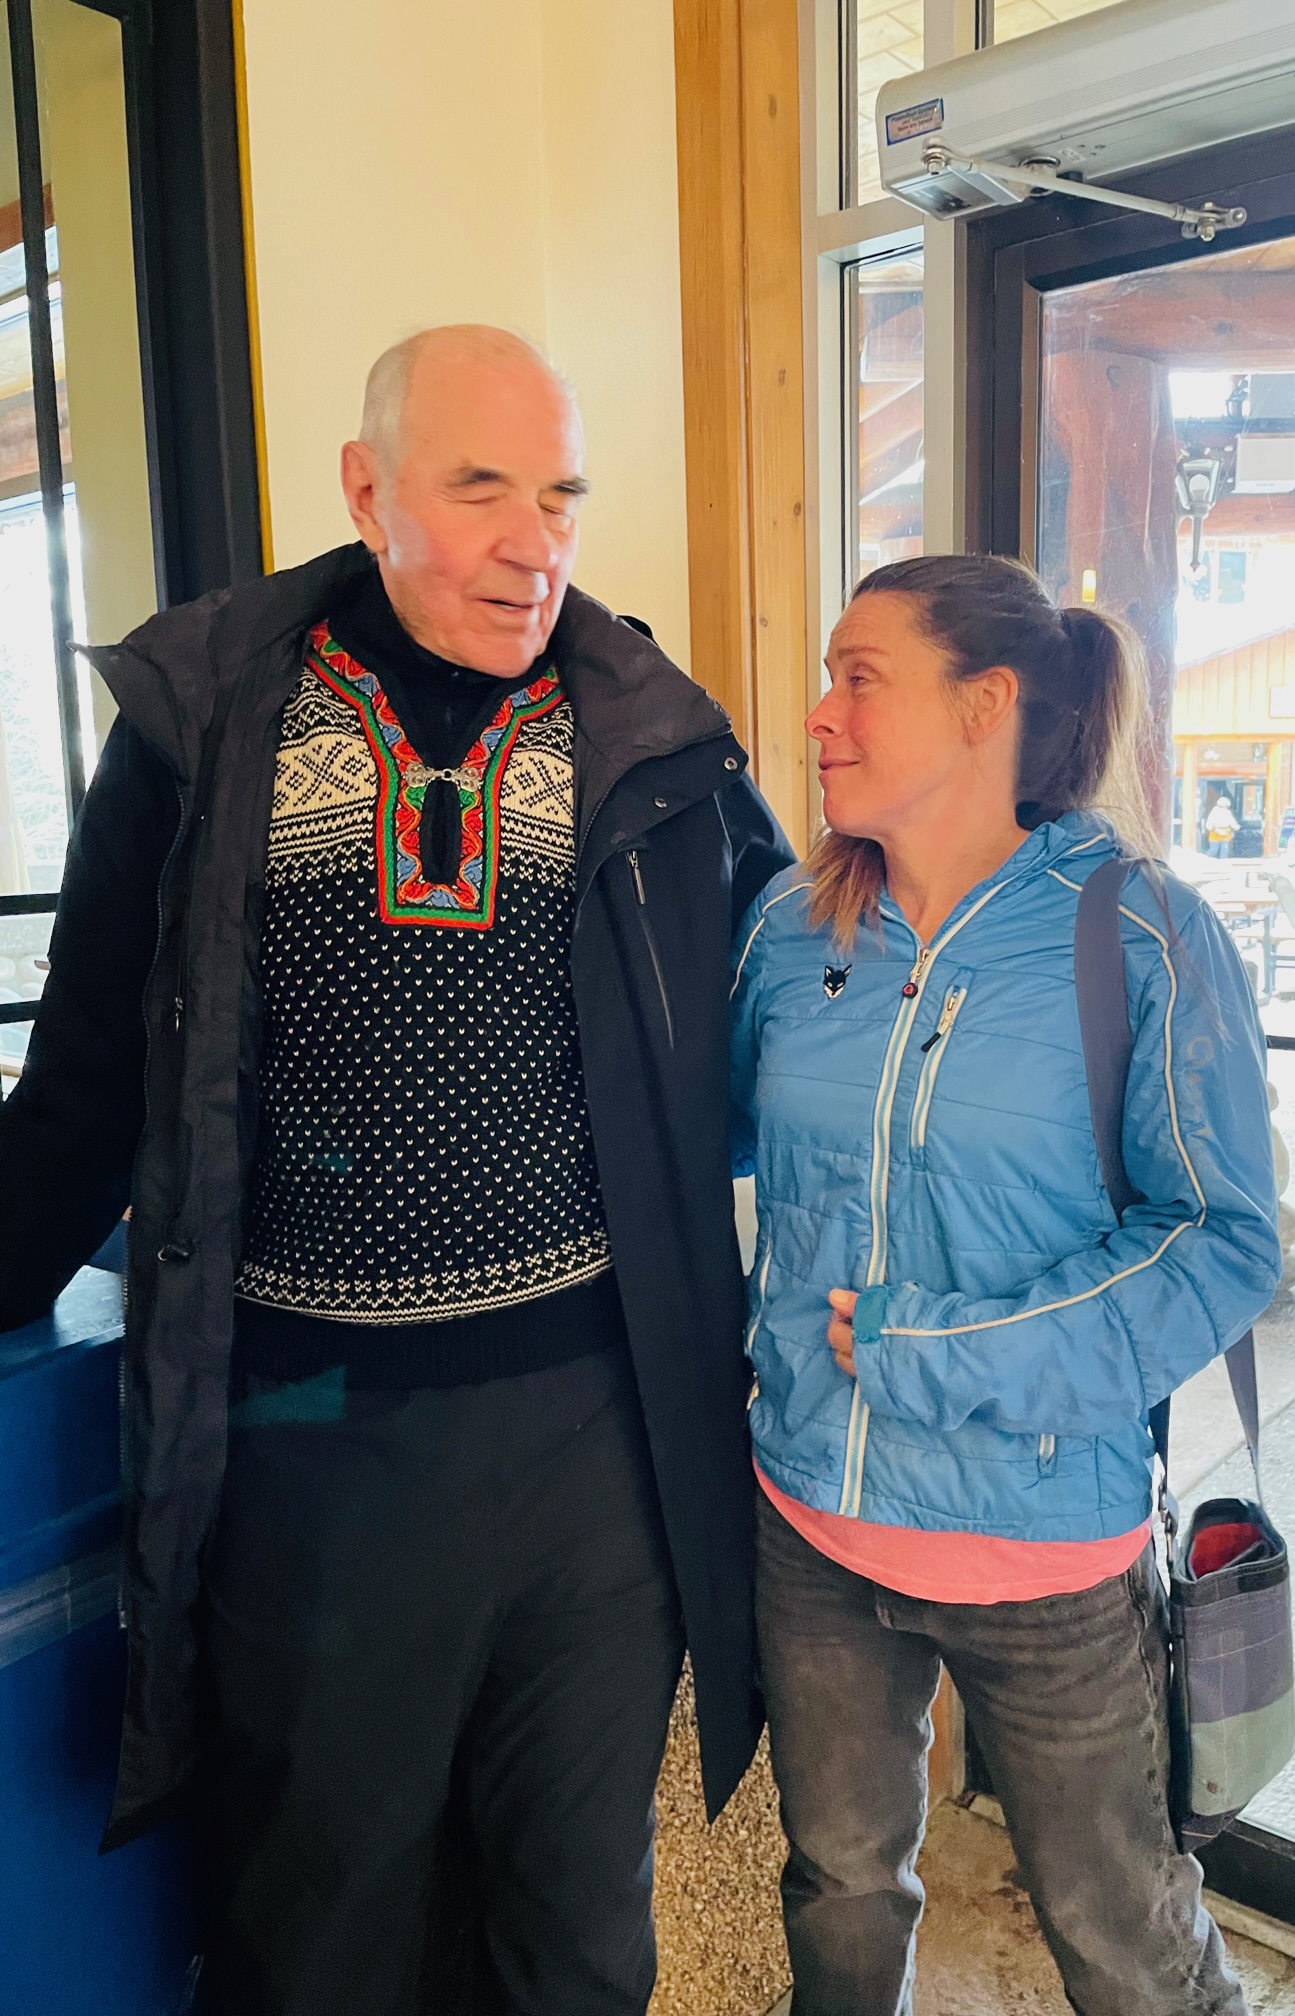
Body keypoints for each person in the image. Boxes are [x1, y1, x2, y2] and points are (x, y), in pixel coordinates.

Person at [0, 325, 791, 2016]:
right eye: (480, 487)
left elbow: (791, 1024)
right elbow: (82, 1089)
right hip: (315, 1441)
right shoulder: (209, 726)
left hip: (599, 1445)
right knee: (322, 1913)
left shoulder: (651, 739)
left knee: (576, 1925)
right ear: (367, 491)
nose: (532, 542)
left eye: (560, 495)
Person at [732, 554, 1281, 2016]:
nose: (820, 712)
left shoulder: (1139, 930)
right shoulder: (792, 929)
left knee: (1122, 1933)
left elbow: (1218, 1238)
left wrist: (933, 1351)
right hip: (811, 1521)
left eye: (860, 677)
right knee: (838, 1886)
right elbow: (709, 1144)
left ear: (984, 705)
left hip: (1040, 1552)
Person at [1206, 791, 1239, 857]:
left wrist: (1236, 827)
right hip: (1215, 833)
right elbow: (1209, 823)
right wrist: (1213, 829)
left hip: (1225, 833)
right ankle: (1205, 859)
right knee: (1213, 850)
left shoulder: (1227, 812)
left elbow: (1232, 821)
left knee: (1224, 851)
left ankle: (1223, 862)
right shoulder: (1214, 812)